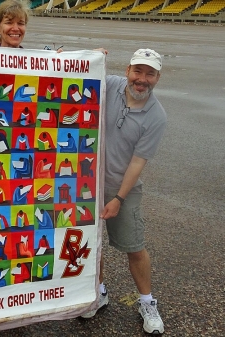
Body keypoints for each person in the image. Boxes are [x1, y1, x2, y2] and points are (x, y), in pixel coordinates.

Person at [81, 49, 166, 335]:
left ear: (157, 77)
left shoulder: (156, 116)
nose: (142, 80)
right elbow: (75, 75)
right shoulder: (113, 83)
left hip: (121, 187)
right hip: (86, 181)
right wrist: (75, 56)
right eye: (138, 72)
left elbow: (137, 163)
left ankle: (147, 301)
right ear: (128, 70)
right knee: (93, 242)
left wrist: (118, 198)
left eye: (149, 74)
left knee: (134, 246)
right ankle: (98, 291)